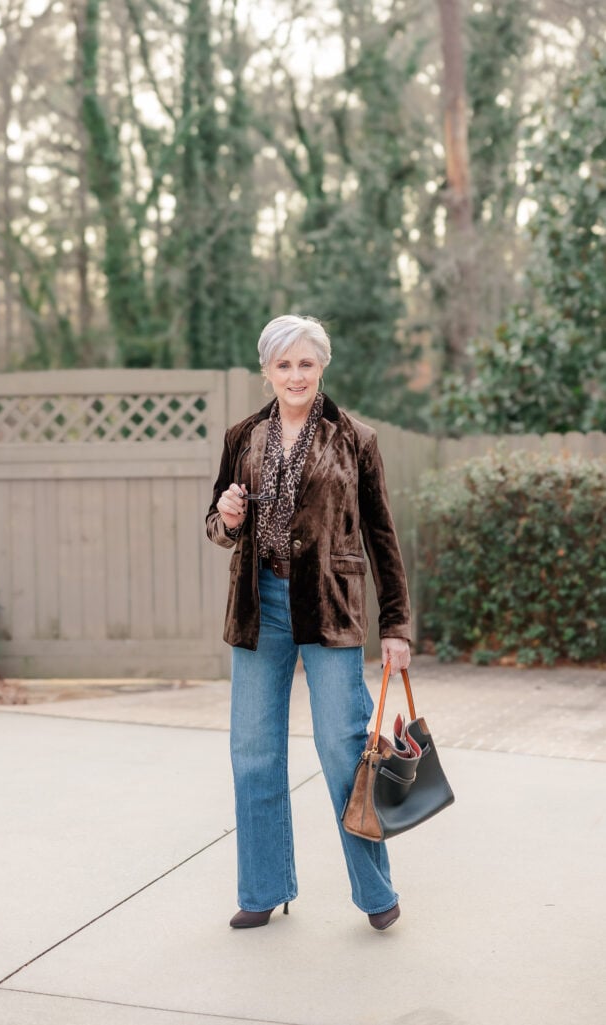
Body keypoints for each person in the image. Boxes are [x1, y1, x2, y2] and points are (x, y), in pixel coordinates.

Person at [205, 314, 411, 932]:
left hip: (329, 607)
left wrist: (396, 625)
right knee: (252, 750)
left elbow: (382, 537)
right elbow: (217, 529)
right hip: (258, 605)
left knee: (343, 747)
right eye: (283, 364)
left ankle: (376, 894)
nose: (295, 375)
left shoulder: (356, 438)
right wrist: (229, 515)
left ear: (323, 366)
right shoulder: (242, 436)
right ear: (266, 370)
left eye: (306, 363)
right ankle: (264, 888)